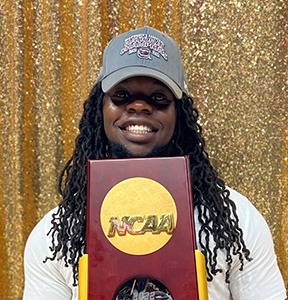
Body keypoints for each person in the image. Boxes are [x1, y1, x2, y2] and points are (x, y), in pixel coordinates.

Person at [23, 27, 286, 300]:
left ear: (179, 115)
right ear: (99, 109)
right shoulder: (56, 235)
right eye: (122, 95)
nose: (139, 107)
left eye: (158, 98)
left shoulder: (235, 221)